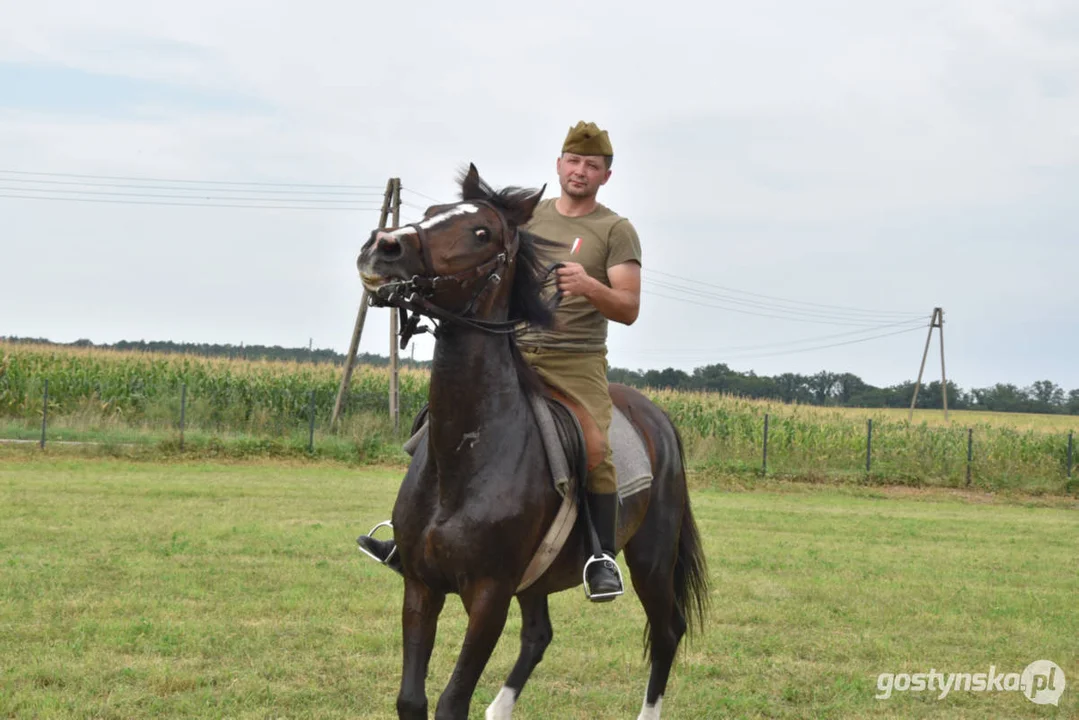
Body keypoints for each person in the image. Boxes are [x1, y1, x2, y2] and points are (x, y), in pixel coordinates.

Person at [357, 121, 643, 602]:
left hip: (574, 361)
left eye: (591, 166)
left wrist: (591, 287)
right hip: (510, 347)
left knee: (594, 445)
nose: (580, 171)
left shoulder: (615, 231)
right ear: (559, 165)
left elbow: (629, 307)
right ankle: (408, 539)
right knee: (436, 424)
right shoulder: (527, 219)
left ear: (605, 176)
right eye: (573, 162)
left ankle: (600, 556)